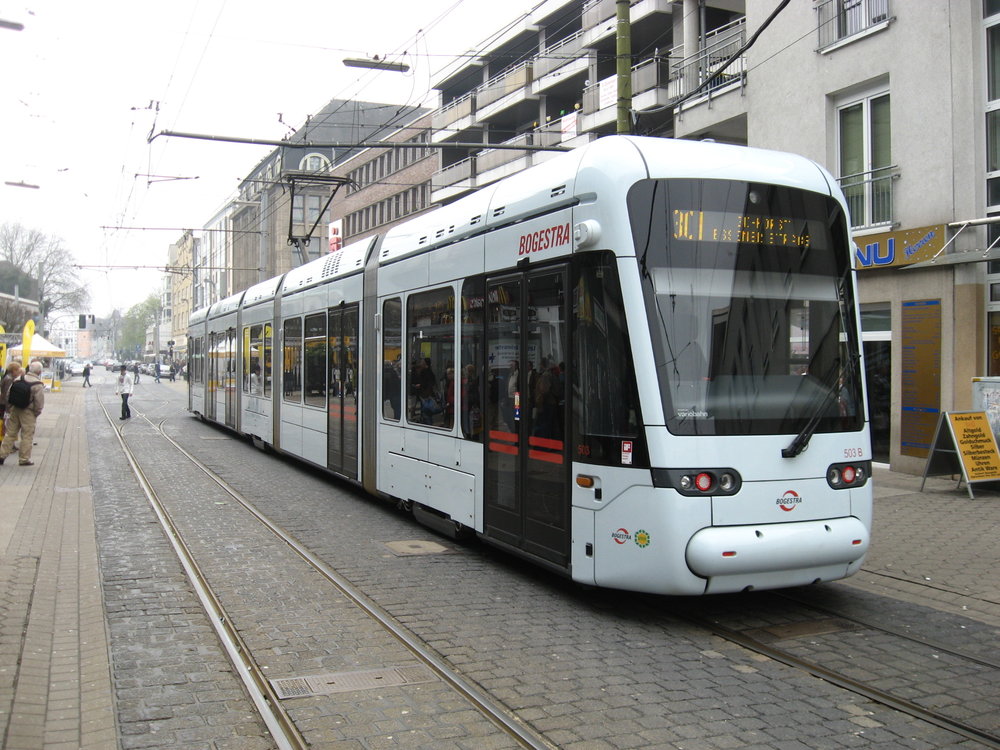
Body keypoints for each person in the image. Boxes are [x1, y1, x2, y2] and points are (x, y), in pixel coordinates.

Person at [0, 361, 45, 467]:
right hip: (28, 412)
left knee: (10, 433)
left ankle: (1, 456)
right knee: (27, 435)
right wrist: (36, 413)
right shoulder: (37, 384)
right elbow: (39, 402)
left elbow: (8, 395)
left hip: (15, 409)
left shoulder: (18, 379)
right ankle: (24, 459)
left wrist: (11, 407)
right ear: (39, 371)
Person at [1, 361, 24, 444]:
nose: (19, 373)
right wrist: (9, 408)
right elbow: (8, 394)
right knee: (8, 425)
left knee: (7, 425)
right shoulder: (9, 379)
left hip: (5, 404)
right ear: (14, 370)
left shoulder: (8, 377)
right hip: (6, 405)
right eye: (18, 370)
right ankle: (8, 444)